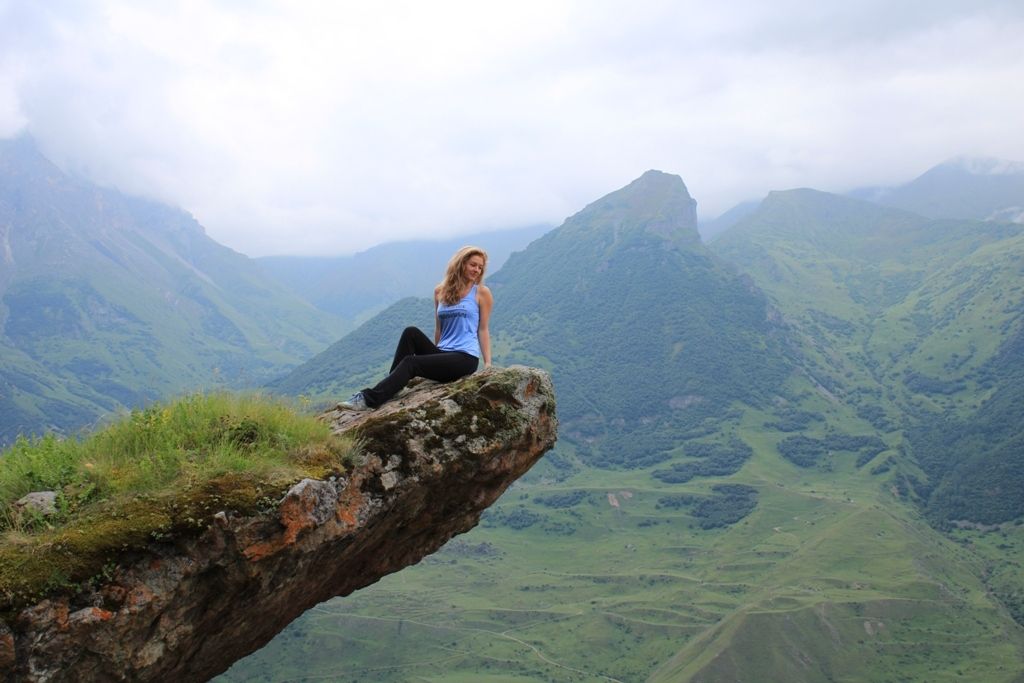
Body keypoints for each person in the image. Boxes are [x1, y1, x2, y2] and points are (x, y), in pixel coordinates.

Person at [341, 245, 493, 410]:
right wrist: (436, 359)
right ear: (461, 264)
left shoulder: (481, 293)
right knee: (410, 332)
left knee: (410, 363)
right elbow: (439, 329)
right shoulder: (440, 291)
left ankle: (368, 399)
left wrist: (488, 364)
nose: (477, 270)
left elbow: (483, 329)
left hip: (465, 358)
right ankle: (395, 386)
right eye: (473, 265)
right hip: (444, 353)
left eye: (480, 267)